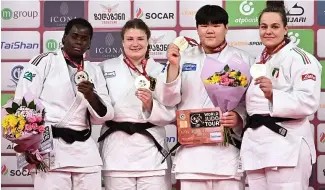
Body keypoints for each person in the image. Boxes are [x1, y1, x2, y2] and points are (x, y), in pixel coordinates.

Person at [155, 5, 255, 190]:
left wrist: (239, 117)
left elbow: (253, 102)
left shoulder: (243, 60)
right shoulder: (183, 57)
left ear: (226, 28)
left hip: (228, 153)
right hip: (192, 154)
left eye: (216, 25)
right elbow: (168, 100)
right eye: (203, 25)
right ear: (197, 28)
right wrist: (174, 66)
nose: (209, 30)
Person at [14, 18, 114, 190]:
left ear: (89, 44)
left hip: (85, 151)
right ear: (64, 38)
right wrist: (27, 144)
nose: (79, 41)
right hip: (50, 147)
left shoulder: (94, 71)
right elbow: (24, 103)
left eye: (84, 38)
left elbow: (106, 115)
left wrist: (91, 95)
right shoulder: (44, 61)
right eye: (74, 36)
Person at [240, 1, 322, 190]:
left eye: (275, 26)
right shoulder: (260, 60)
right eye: (263, 26)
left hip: (287, 146)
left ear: (286, 29)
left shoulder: (301, 59)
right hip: (257, 147)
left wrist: (273, 95)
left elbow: (308, 102)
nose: (268, 31)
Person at [98, 18, 175, 190]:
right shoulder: (105, 67)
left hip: (151, 150)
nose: (135, 44)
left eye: (140, 39)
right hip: (117, 150)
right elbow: (99, 108)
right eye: (130, 39)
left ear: (148, 42)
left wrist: (150, 106)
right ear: (122, 42)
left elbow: (172, 110)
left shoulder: (161, 71)